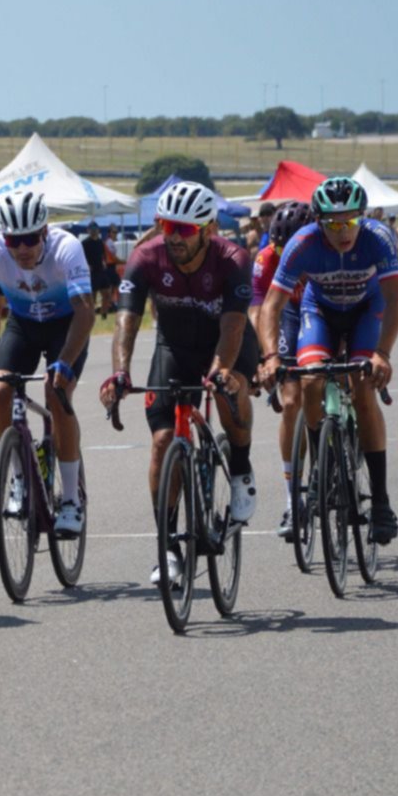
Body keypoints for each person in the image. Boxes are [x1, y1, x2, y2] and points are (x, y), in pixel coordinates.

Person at [98, 181, 258, 583]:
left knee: (228, 391)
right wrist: (121, 372)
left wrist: (221, 370)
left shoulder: (233, 258)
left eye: (184, 230)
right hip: (175, 346)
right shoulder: (146, 256)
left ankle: (240, 471)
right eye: (167, 226)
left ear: (207, 229)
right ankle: (167, 548)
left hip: (226, 341)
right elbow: (126, 320)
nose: (174, 236)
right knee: (161, 441)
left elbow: (235, 324)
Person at [256, 177, 398, 545]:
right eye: (334, 224)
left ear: (363, 218)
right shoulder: (302, 242)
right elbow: (271, 306)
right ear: (317, 222)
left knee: (362, 387)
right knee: (309, 379)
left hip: (366, 311)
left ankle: (382, 502)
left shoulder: (378, 238)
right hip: (319, 311)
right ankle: (320, 468)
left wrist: (382, 354)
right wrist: (271, 357)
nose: (343, 231)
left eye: (351, 221)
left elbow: (396, 301)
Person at [0, 192, 93, 536]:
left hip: (66, 325)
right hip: (23, 325)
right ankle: (18, 476)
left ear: (44, 232)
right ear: (3, 237)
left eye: (30, 239)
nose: (23, 248)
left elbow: (86, 311)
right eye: (15, 240)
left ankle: (71, 499)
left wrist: (66, 363)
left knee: (56, 393)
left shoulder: (67, 246)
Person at [251, 201, 317, 539]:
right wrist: (266, 356)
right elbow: (258, 310)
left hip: (326, 307)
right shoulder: (266, 258)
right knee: (292, 402)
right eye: (279, 247)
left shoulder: (324, 249)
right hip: (289, 313)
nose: (284, 254)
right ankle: (293, 500)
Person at [81, 224, 109, 315]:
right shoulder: (85, 243)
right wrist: (86, 265)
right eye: (91, 229)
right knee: (93, 296)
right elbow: (81, 257)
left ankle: (104, 313)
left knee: (106, 294)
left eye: (95, 229)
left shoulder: (100, 242)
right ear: (88, 231)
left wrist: (104, 262)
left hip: (101, 271)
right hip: (92, 272)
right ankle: (91, 315)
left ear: (98, 230)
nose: (94, 231)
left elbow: (103, 255)